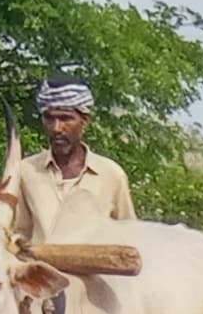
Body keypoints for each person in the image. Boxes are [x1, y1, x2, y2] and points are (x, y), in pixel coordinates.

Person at [17, 80, 133, 243]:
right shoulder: (26, 171)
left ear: (85, 121)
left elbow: (128, 237)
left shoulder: (111, 175)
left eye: (66, 119)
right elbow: (19, 234)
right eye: (50, 119)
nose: (57, 128)